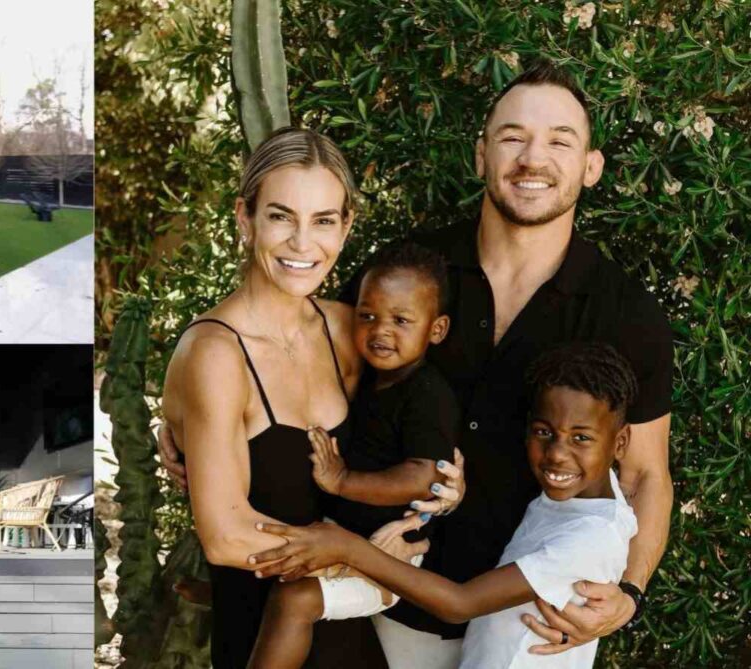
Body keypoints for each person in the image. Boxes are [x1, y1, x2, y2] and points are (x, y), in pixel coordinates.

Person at [158, 59, 673, 667]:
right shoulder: (408, 276)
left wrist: (630, 593)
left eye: (560, 141)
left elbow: (643, 475)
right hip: (384, 615)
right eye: (513, 138)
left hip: (525, 626)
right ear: (482, 154)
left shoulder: (628, 313)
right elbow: (277, 348)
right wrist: (184, 413)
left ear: (591, 167)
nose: (533, 159)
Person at [161, 127, 453, 668]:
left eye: (323, 220)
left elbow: (415, 422)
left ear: (346, 227)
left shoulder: (348, 330)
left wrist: (446, 484)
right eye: (280, 216)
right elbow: (225, 537)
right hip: (262, 639)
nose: (302, 243)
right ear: (245, 218)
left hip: (354, 638)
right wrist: (364, 559)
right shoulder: (215, 354)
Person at [248, 342, 640, 669]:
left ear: (619, 443)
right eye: (544, 432)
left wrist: (346, 546)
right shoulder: (589, 501)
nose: (557, 454)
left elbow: (460, 604)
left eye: (581, 438)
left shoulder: (591, 536)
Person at [248, 241, 460, 668]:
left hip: (388, 558)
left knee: (294, 599)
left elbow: (425, 477)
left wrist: (342, 480)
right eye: (368, 317)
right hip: (340, 534)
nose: (381, 331)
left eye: (401, 320)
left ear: (436, 329)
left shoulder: (427, 394)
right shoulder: (367, 378)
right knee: (268, 554)